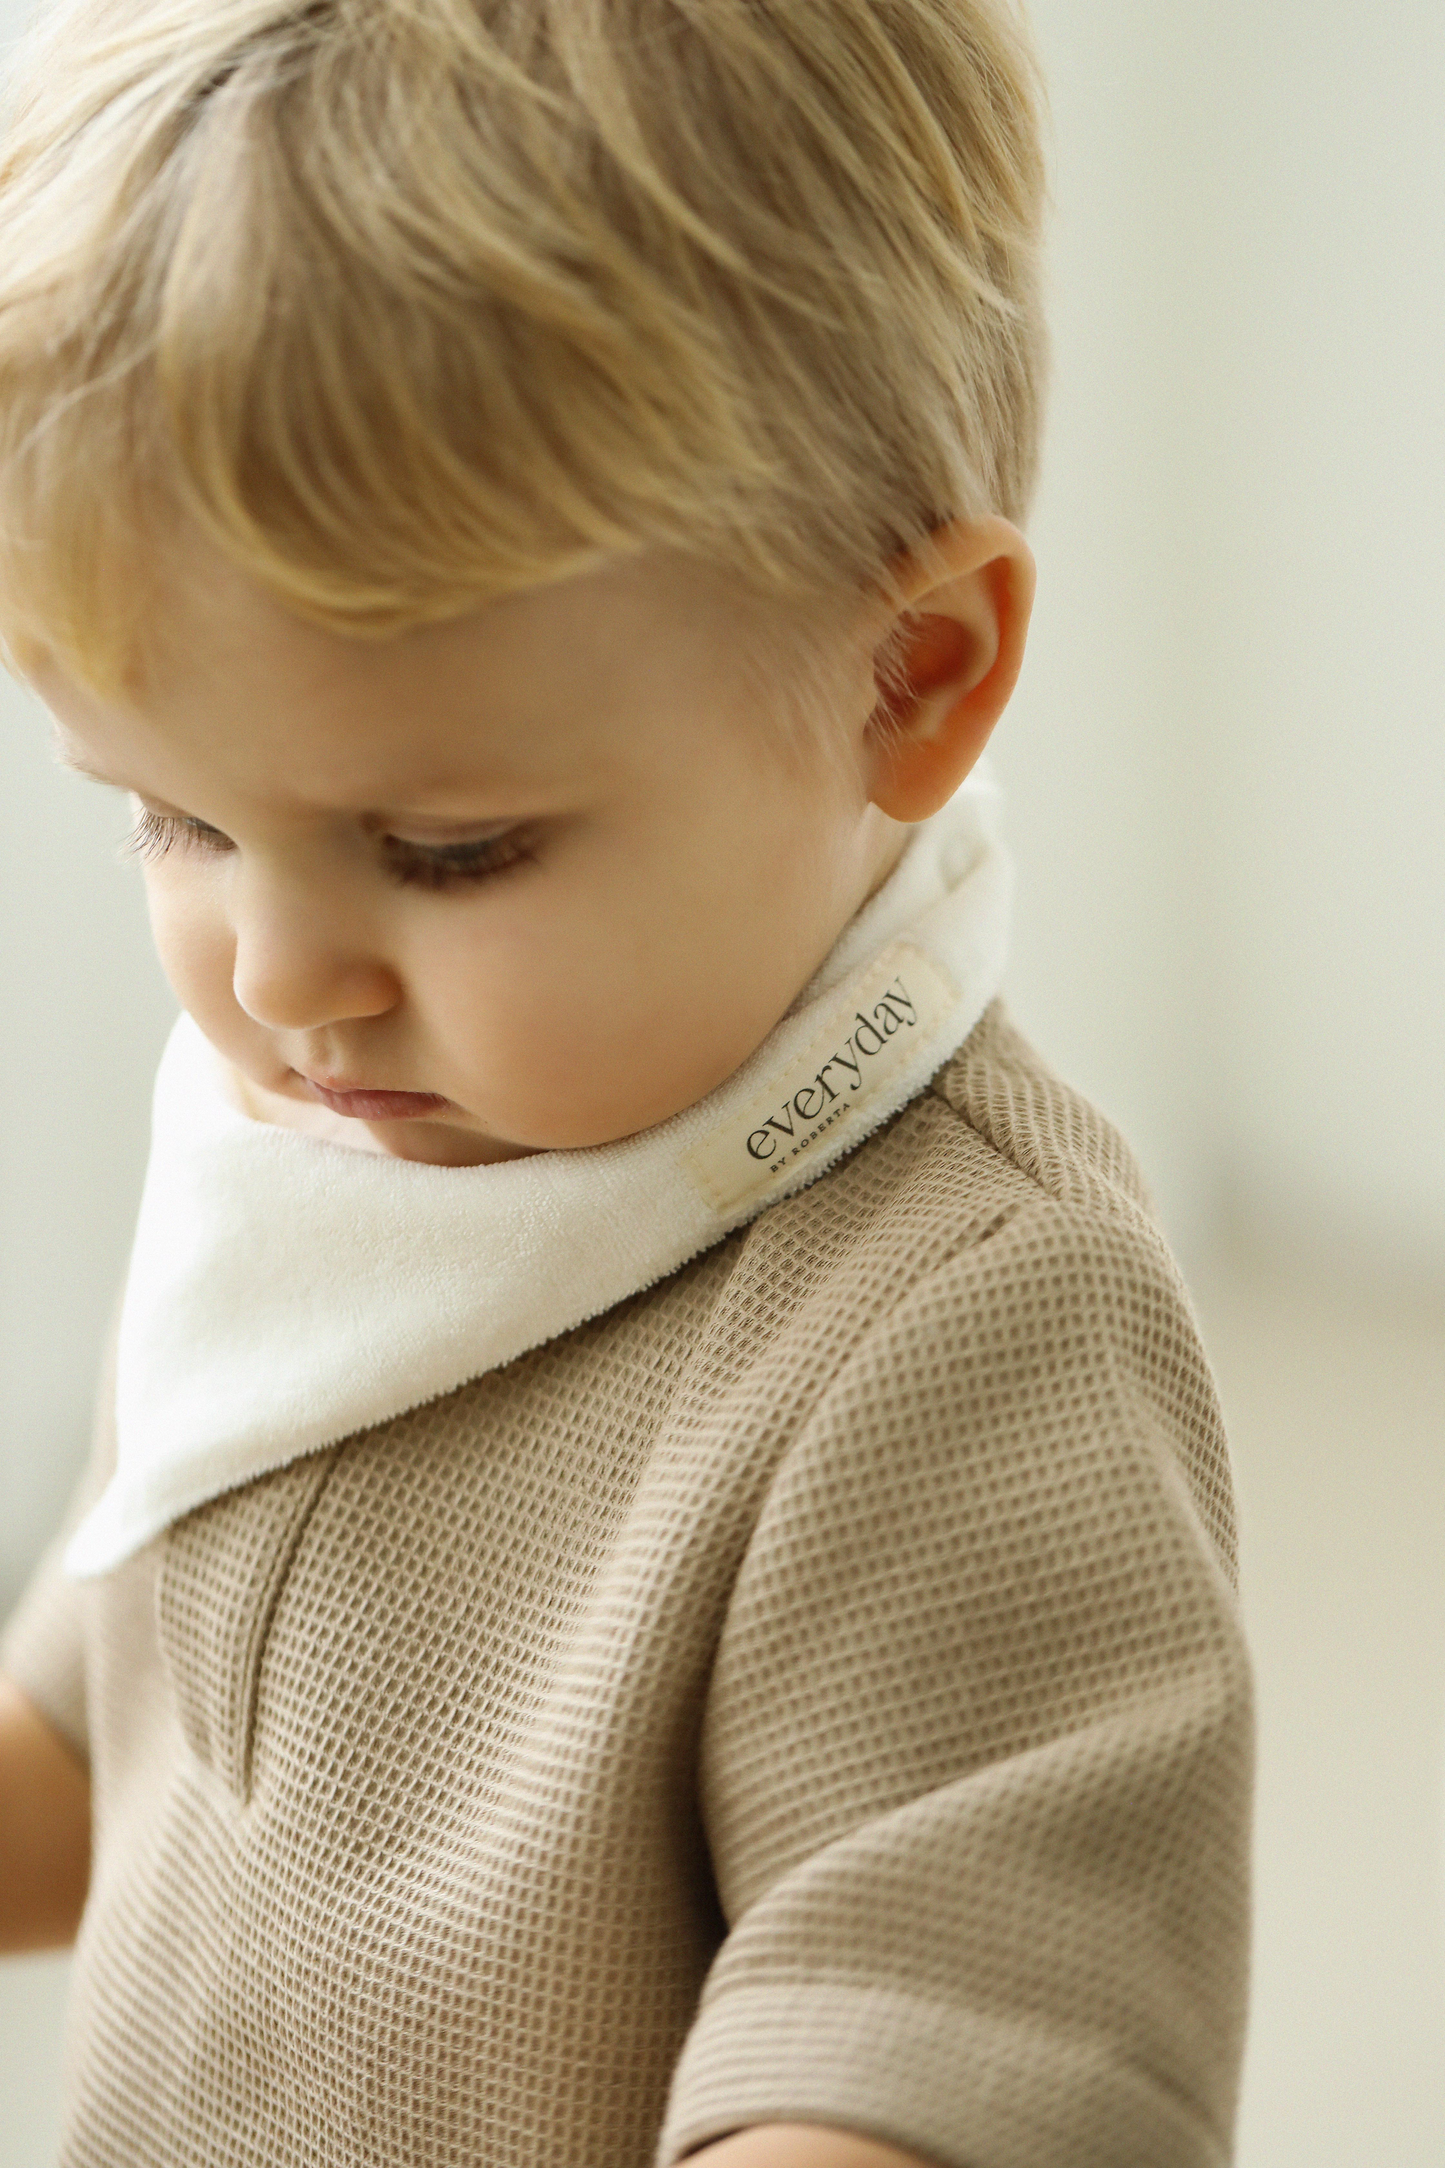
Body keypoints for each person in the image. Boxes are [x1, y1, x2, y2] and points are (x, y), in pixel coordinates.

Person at [0, 2, 1252, 2164]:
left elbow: (940, 2055)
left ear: (908, 673)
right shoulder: (287, 1151)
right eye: (171, 820)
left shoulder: (958, 1324)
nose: (276, 975)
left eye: (449, 849)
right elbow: (107, 1754)